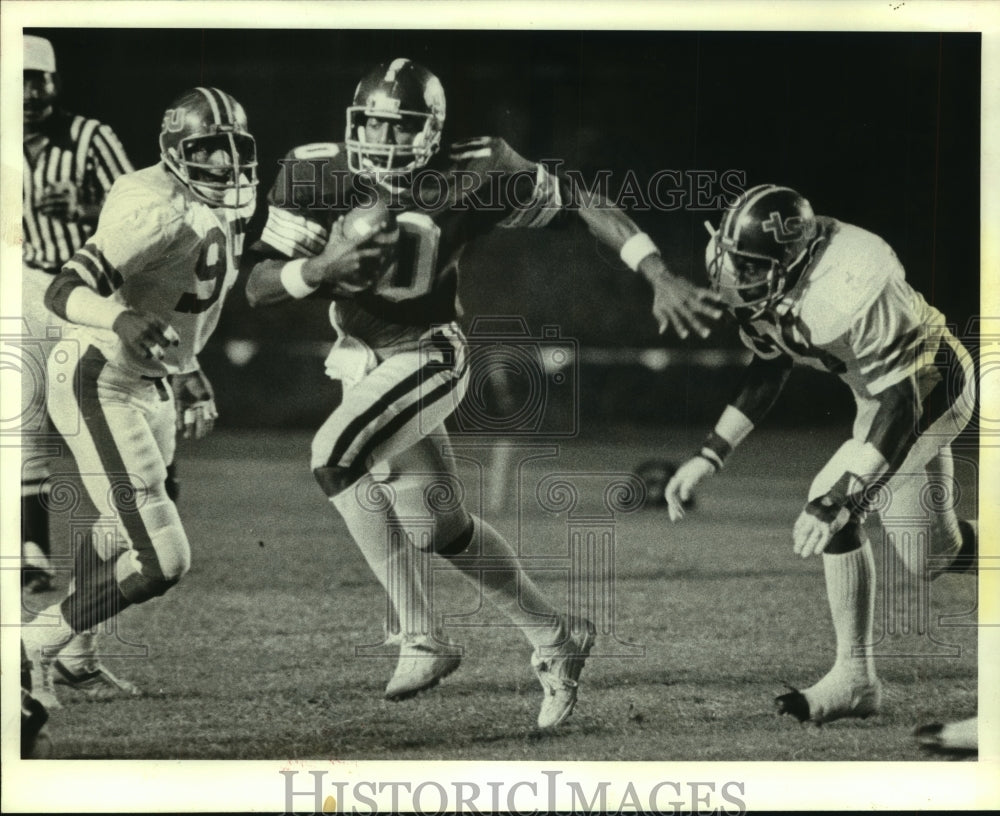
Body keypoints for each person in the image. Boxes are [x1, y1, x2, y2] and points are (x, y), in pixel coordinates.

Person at [245, 58, 723, 728]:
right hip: (361, 361)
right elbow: (258, 284)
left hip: (429, 354)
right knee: (440, 529)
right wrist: (318, 268)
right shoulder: (314, 169)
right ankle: (558, 637)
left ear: (431, 131)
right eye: (372, 124)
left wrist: (656, 271)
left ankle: (419, 637)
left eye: (398, 126)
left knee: (333, 454)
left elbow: (583, 199)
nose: (381, 139)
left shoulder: (478, 169)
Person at [664, 184, 977, 725]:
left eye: (750, 265)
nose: (736, 275)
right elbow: (770, 364)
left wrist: (841, 497)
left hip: (931, 390)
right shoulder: (771, 280)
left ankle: (854, 679)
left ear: (796, 260)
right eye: (735, 260)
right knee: (934, 556)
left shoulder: (854, 277)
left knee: (829, 505)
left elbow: (902, 404)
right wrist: (710, 454)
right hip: (878, 400)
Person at [22, 86, 258, 710]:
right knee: (160, 558)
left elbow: (184, 295)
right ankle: (32, 643)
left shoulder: (219, 199)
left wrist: (187, 366)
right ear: (176, 150)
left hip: (149, 375)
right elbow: (64, 288)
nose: (222, 165)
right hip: (102, 375)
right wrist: (120, 319)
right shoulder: (149, 207)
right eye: (206, 150)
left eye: (232, 150)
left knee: (122, 520)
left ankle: (74, 654)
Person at [21, 34, 134, 592]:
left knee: (110, 403)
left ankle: (141, 511)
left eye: (36, 80)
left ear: (54, 83)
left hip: (86, 288)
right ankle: (33, 551)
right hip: (22, 283)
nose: (26, 93)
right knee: (22, 417)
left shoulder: (91, 138)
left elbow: (138, 212)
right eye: (16, 79)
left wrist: (84, 207)